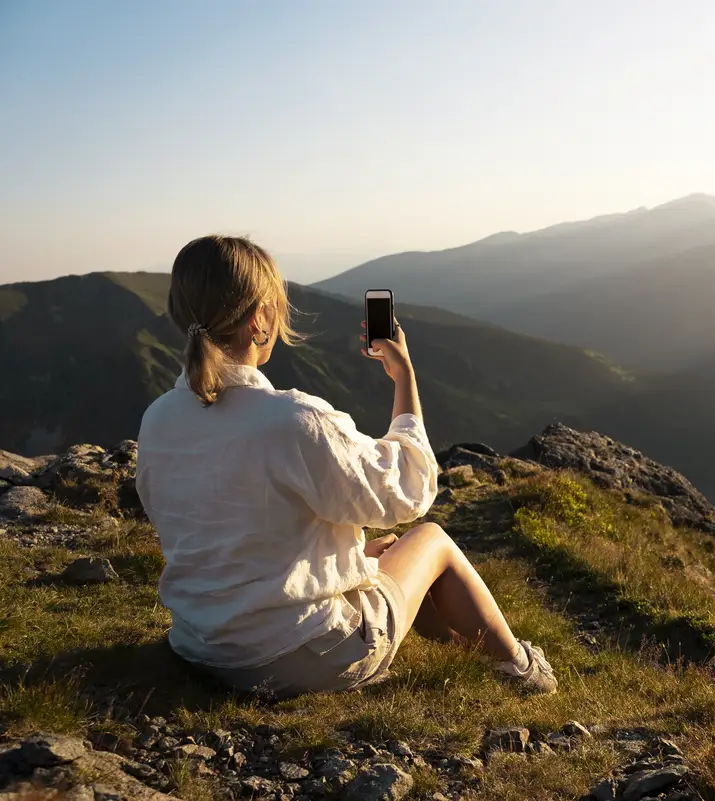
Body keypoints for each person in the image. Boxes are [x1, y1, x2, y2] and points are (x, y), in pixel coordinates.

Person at [135, 235, 556, 697]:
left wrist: (347, 561)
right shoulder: (293, 421)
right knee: (431, 541)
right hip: (298, 656)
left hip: (201, 647)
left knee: (381, 553)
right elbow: (409, 489)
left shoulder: (158, 419)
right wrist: (405, 378)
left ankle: (462, 649)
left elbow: (232, 530)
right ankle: (522, 670)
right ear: (259, 319)